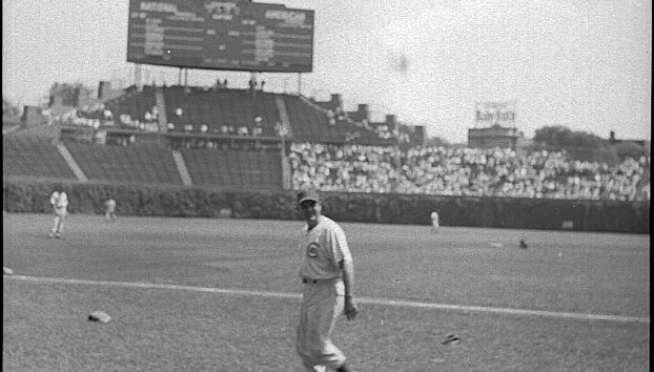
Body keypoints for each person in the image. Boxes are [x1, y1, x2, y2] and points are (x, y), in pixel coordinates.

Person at [295, 189, 357, 372]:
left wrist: (350, 298)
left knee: (318, 346)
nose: (308, 209)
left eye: (312, 204)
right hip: (310, 290)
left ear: (320, 205)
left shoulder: (329, 230)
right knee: (304, 347)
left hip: (327, 290)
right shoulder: (306, 230)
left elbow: (346, 262)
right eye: (304, 206)